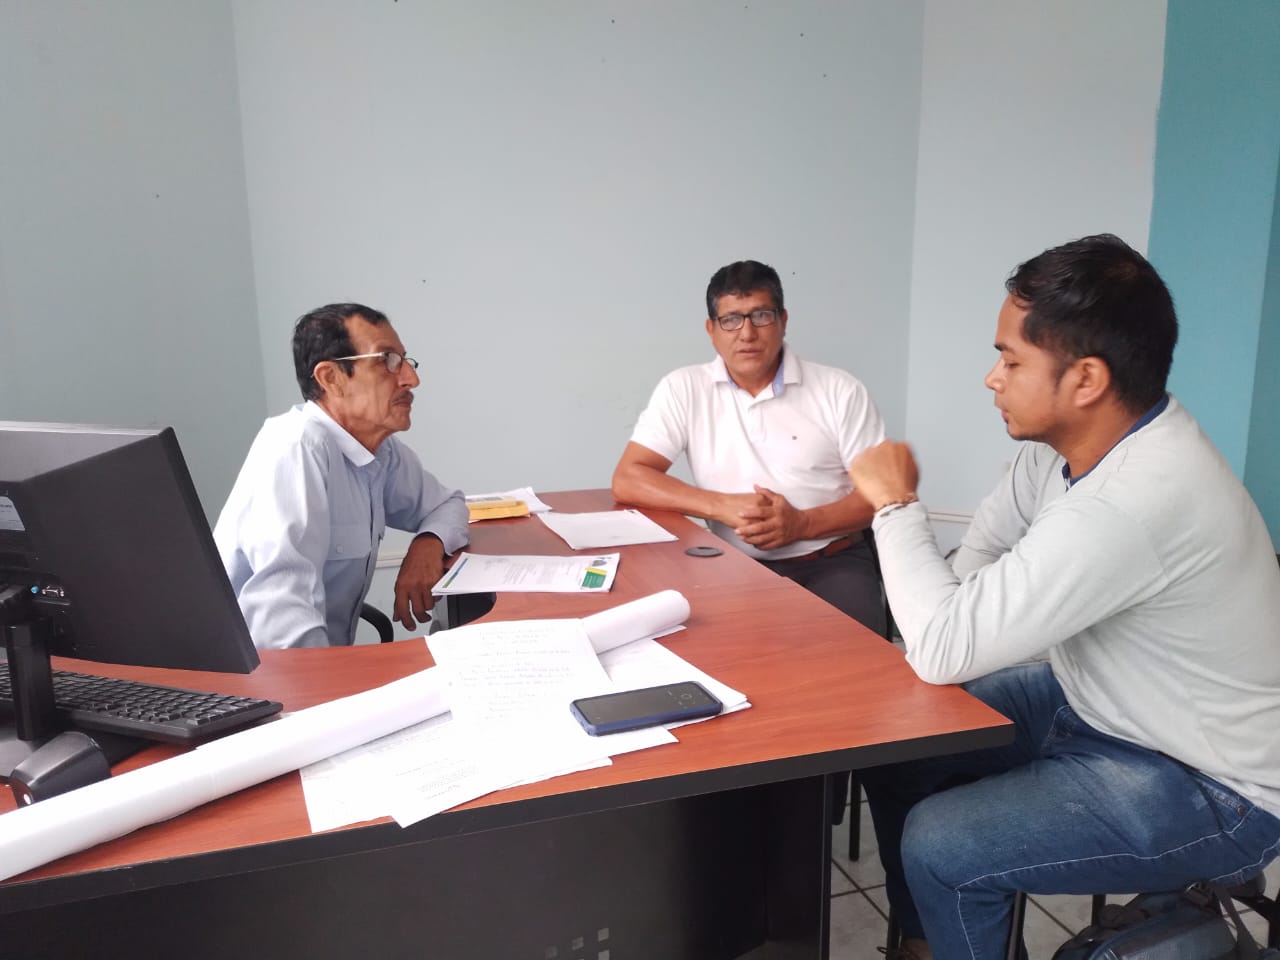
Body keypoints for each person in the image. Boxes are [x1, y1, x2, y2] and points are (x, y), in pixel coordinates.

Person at [848, 235, 1280, 960]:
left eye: (1011, 360)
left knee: (941, 844)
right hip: (1103, 707)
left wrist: (893, 505)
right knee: (901, 748)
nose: (992, 378)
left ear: (1085, 379)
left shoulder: (1135, 498)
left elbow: (943, 645)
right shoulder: (1060, 456)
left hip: (1215, 784)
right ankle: (936, 944)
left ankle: (951, 922)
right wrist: (962, 620)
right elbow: (977, 562)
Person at [611, 260, 888, 634]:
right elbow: (628, 478)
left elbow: (880, 496)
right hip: (731, 564)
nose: (747, 333)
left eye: (761, 316)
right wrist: (720, 506)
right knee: (707, 652)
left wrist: (801, 524)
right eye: (731, 319)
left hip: (830, 562)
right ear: (711, 330)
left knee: (855, 661)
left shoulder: (840, 390)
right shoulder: (683, 388)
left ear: (783, 321)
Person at [214, 303, 468, 649]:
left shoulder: (380, 451)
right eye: (388, 361)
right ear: (331, 378)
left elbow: (448, 504)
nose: (411, 379)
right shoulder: (297, 448)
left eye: (405, 361)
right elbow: (283, 629)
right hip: (265, 675)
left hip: (324, 661)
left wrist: (428, 544)